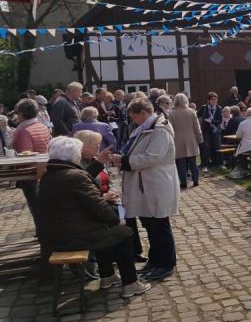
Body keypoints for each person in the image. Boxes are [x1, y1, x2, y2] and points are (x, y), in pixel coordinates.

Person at [37, 136, 151, 298]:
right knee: (124, 232)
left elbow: (84, 189)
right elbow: (98, 206)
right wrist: (117, 220)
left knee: (104, 228)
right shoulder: (73, 176)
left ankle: (107, 276)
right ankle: (130, 284)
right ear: (74, 155)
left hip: (55, 234)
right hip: (69, 238)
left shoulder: (50, 174)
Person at [111, 98, 179, 281]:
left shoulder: (160, 129)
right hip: (145, 183)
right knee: (150, 224)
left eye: (134, 117)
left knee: (159, 224)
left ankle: (166, 263)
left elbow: (153, 157)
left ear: (143, 113)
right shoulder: (146, 128)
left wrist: (125, 161)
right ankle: (156, 260)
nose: (133, 121)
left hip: (156, 182)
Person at [11, 98, 52, 232]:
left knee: (35, 204)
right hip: (45, 169)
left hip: (30, 173)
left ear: (21, 114)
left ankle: (43, 232)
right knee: (44, 202)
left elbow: (25, 155)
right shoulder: (42, 126)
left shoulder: (24, 131)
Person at [169, 93, 202, 189]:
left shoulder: (172, 113)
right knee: (193, 162)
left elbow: (170, 128)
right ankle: (195, 180)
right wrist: (200, 140)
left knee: (181, 163)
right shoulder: (191, 111)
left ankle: (183, 182)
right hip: (191, 139)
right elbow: (197, 127)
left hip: (177, 140)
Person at [197, 92, 222, 171]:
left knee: (217, 146)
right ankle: (205, 165)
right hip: (206, 130)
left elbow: (220, 120)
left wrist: (211, 121)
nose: (214, 101)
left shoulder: (218, 108)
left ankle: (218, 163)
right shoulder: (204, 108)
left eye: (216, 99)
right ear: (208, 100)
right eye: (213, 100)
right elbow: (197, 116)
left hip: (215, 130)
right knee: (206, 148)